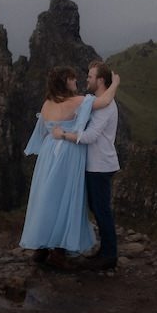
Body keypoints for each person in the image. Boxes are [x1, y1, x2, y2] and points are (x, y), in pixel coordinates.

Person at [20, 64, 121, 267]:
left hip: (48, 155)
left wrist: (53, 138)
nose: (78, 81)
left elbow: (41, 133)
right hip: (67, 154)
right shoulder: (78, 102)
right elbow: (106, 100)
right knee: (64, 199)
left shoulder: (46, 104)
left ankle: (41, 246)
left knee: (46, 197)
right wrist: (115, 83)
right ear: (65, 82)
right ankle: (59, 248)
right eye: (73, 78)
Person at [52, 59, 120, 270]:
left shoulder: (106, 107)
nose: (86, 79)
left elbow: (90, 136)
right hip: (95, 165)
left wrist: (63, 135)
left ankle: (110, 254)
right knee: (97, 208)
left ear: (100, 80)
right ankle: (106, 251)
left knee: (101, 210)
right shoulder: (96, 101)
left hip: (101, 166)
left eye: (90, 77)